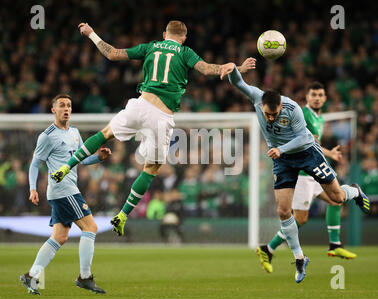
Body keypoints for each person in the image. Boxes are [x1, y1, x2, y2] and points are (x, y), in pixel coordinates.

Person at [50, 20, 255, 237]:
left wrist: (91, 33)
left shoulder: (150, 46)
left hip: (140, 104)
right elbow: (206, 69)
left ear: (164, 34)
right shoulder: (186, 52)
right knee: (151, 168)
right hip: (161, 116)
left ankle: (67, 166)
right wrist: (236, 69)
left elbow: (112, 53)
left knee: (105, 134)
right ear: (184, 38)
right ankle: (123, 215)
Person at [221, 64, 371, 283]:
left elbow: (303, 138)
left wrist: (280, 148)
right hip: (283, 161)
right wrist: (233, 68)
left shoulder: (293, 109)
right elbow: (238, 82)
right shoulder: (257, 97)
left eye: (274, 114)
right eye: (267, 115)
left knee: (337, 197)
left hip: (308, 154)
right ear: (261, 105)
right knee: (283, 211)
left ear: (281, 105)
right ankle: (300, 258)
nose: (270, 119)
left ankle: (355, 191)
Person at [257, 82, 357, 274]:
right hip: (303, 173)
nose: (317, 98)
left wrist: (328, 154)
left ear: (325, 98)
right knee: (300, 219)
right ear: (307, 97)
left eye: (321, 94)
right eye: (314, 94)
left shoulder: (320, 118)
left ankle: (335, 244)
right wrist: (329, 153)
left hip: (312, 172)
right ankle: (268, 249)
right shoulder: (303, 113)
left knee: (336, 200)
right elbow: (308, 140)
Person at [20, 94, 111, 295]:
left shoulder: (75, 133)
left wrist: (98, 158)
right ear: (53, 110)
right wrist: (32, 188)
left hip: (67, 190)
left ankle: (32, 276)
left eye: (69, 105)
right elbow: (35, 163)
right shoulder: (47, 136)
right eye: (61, 105)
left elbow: (80, 160)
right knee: (91, 227)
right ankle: (84, 277)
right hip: (63, 190)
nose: (66, 108)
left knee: (60, 237)